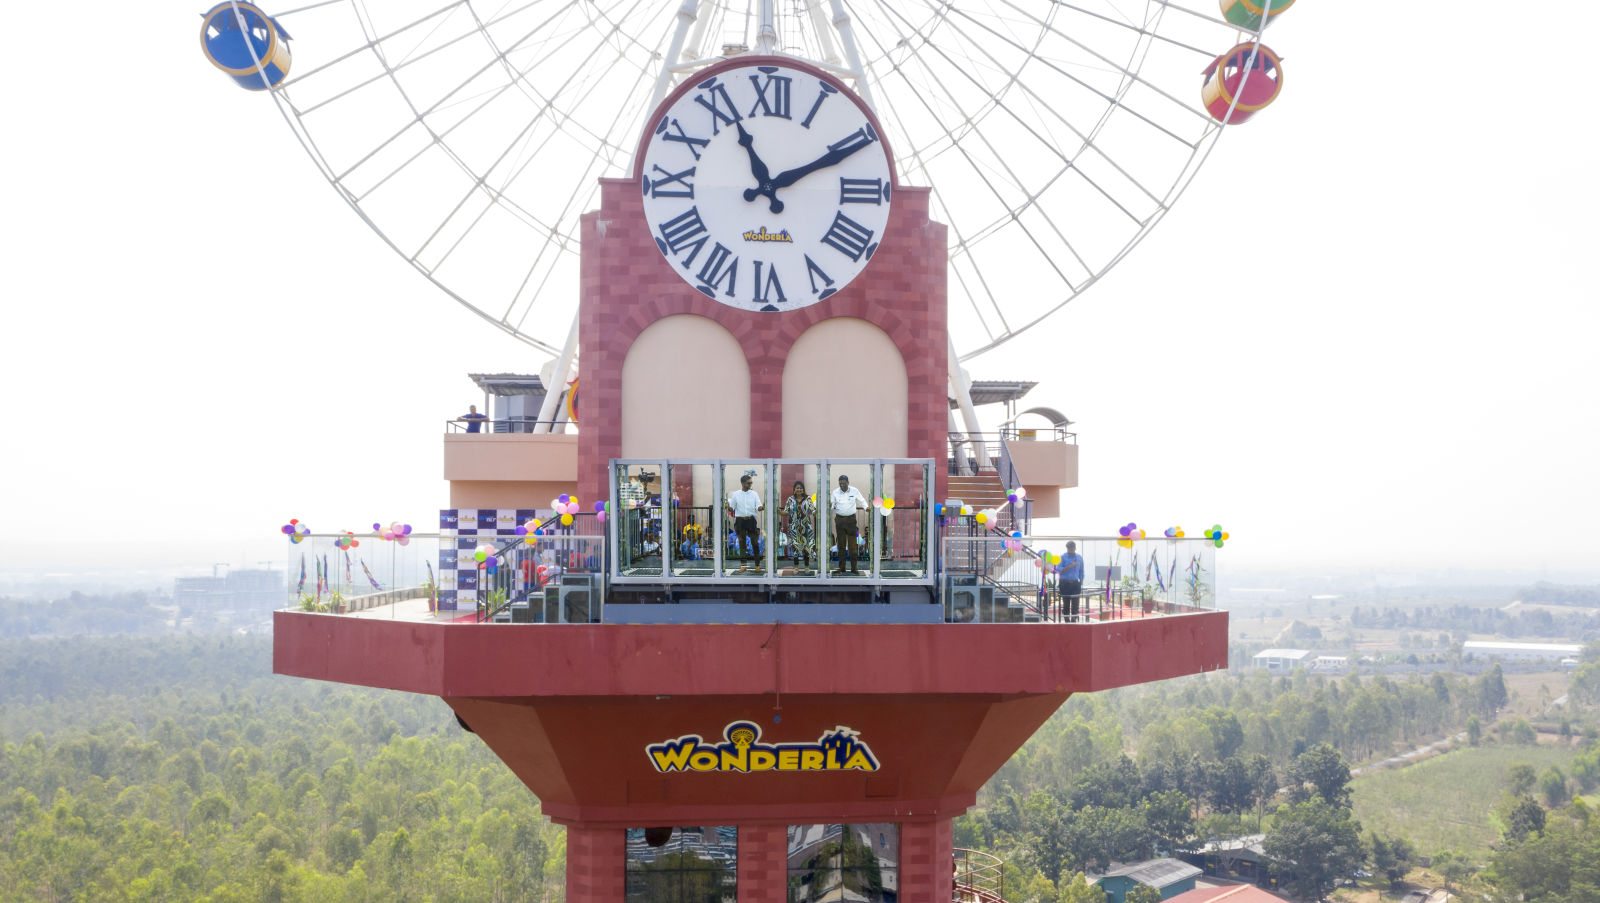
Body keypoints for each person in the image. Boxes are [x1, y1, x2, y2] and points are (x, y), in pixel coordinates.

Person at [829, 474, 869, 575]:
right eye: (840, 483)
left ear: (848, 482)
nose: (842, 485)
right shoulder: (835, 492)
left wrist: (866, 507)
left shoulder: (854, 490)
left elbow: (862, 499)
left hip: (851, 520)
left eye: (844, 483)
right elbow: (832, 504)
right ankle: (841, 568)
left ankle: (854, 568)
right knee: (841, 546)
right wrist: (830, 505)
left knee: (853, 546)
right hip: (839, 520)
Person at [726, 473, 764, 569]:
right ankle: (743, 565)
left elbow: (758, 507)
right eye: (748, 483)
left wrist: (762, 507)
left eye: (751, 483)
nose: (750, 485)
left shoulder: (754, 494)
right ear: (742, 483)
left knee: (755, 543)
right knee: (742, 543)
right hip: (740, 521)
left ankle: (757, 565)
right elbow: (732, 508)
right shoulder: (736, 494)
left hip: (751, 520)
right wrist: (727, 506)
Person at [780, 480, 817, 571]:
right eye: (797, 488)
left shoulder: (808, 499)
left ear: (803, 490)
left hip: (806, 527)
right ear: (794, 490)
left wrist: (819, 509)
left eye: (801, 488)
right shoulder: (790, 499)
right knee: (795, 547)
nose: (799, 489)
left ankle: (806, 567)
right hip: (794, 528)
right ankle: (796, 567)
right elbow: (786, 512)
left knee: (806, 547)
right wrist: (778, 511)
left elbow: (813, 511)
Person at [1058, 540, 1085, 620]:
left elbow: (1081, 571)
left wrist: (1081, 581)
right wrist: (1070, 565)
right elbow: (1059, 570)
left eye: (1072, 549)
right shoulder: (1062, 557)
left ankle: (1074, 621)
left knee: (1075, 604)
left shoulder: (1079, 557)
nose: (1071, 551)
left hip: (1075, 583)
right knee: (1066, 603)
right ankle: (1067, 621)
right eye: (1069, 549)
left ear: (1075, 548)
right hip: (1065, 583)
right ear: (1067, 548)